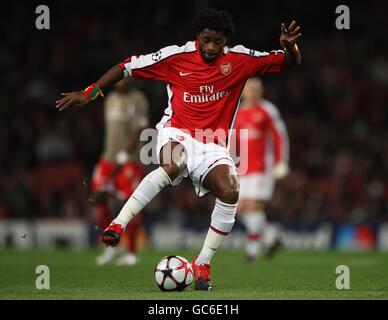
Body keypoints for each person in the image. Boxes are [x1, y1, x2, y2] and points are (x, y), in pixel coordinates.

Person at [56, 8, 301, 290]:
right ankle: (118, 224)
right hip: (176, 131)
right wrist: (90, 93)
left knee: (231, 190)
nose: (211, 46)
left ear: (226, 41)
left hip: (214, 144)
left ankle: (203, 263)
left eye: (217, 42)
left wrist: (290, 47)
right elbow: (126, 66)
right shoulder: (175, 57)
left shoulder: (240, 59)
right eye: (206, 39)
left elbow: (288, 63)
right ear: (198, 36)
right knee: (175, 162)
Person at [91, 78, 149, 266]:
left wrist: (123, 156)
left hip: (129, 161)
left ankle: (131, 251)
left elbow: (138, 130)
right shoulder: (110, 100)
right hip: (107, 158)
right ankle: (110, 247)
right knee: (99, 197)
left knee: (129, 204)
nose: (120, 82)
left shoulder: (138, 99)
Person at [234, 77, 289, 261]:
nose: (253, 92)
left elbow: (280, 136)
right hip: (244, 169)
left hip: (263, 167)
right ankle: (272, 237)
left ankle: (252, 251)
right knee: (239, 208)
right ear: (243, 92)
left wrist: (282, 161)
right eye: (249, 89)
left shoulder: (267, 110)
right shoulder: (239, 113)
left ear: (261, 91)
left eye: (256, 89)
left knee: (253, 206)